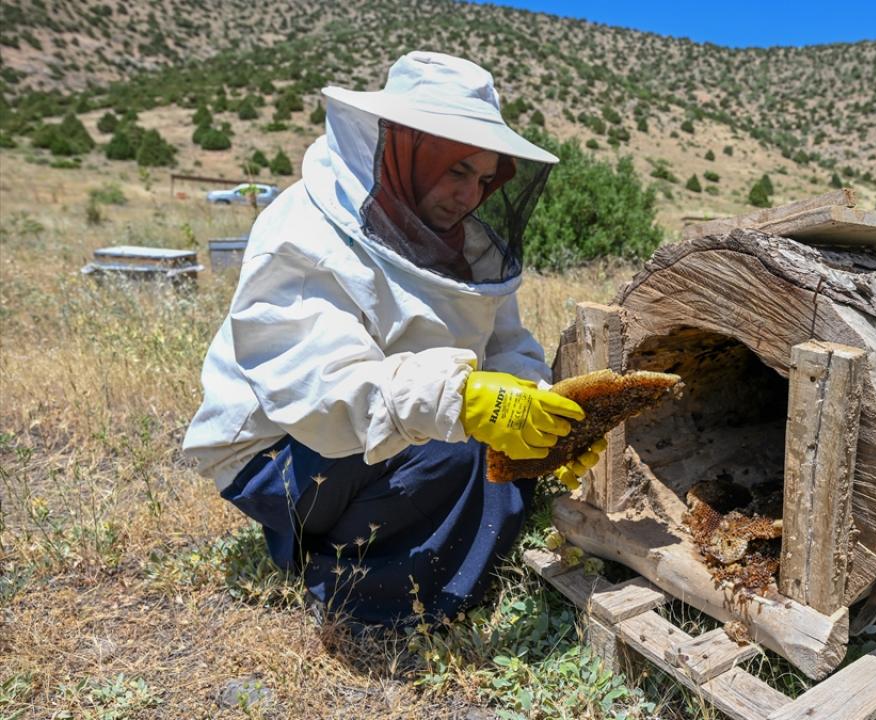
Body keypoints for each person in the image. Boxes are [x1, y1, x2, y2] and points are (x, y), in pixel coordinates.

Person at [183, 52, 601, 626]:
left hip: (378, 431)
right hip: (276, 448)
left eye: (484, 178)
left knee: (485, 451)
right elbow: (322, 393)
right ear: (406, 149)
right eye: (456, 171)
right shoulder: (302, 230)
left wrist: (547, 420)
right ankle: (359, 589)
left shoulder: (473, 249)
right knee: (457, 451)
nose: (470, 195)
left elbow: (507, 345)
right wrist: (466, 403)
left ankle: (359, 538)